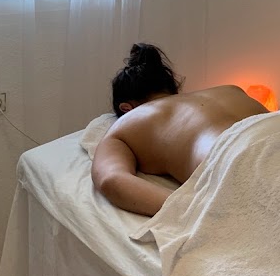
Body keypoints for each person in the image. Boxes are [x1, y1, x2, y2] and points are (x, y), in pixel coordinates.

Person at [92, 44, 268, 216]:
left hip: (235, 159)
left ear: (126, 108)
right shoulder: (231, 90)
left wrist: (194, 210)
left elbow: (111, 180)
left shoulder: (127, 122)